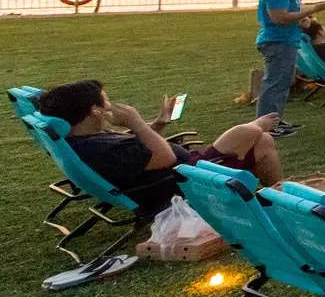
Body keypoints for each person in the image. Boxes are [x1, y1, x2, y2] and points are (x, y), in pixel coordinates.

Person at [35, 80, 286, 206]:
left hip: (182, 170)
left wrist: (158, 124)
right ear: (95, 111)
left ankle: (274, 196)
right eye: (106, 102)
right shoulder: (99, 148)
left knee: (261, 140)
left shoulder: (84, 138)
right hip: (185, 180)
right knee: (250, 132)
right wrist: (136, 122)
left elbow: (142, 148)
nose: (111, 106)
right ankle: (278, 197)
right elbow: (165, 158)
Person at [255, 0, 325, 138]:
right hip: (278, 42)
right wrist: (313, 9)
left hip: (286, 40)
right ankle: (267, 127)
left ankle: (275, 120)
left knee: (281, 84)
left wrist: (303, 20)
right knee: (274, 84)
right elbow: (279, 18)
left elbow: (289, 13)